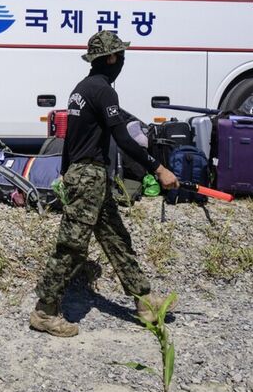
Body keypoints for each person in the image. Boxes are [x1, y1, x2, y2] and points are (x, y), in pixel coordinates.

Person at [29, 30, 179, 338]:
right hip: (89, 179)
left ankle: (144, 299)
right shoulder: (103, 90)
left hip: (86, 176)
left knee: (115, 238)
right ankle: (45, 311)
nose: (122, 61)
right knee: (72, 246)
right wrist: (158, 168)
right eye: (121, 55)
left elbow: (69, 139)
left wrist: (65, 174)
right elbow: (123, 138)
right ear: (111, 58)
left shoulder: (80, 89)